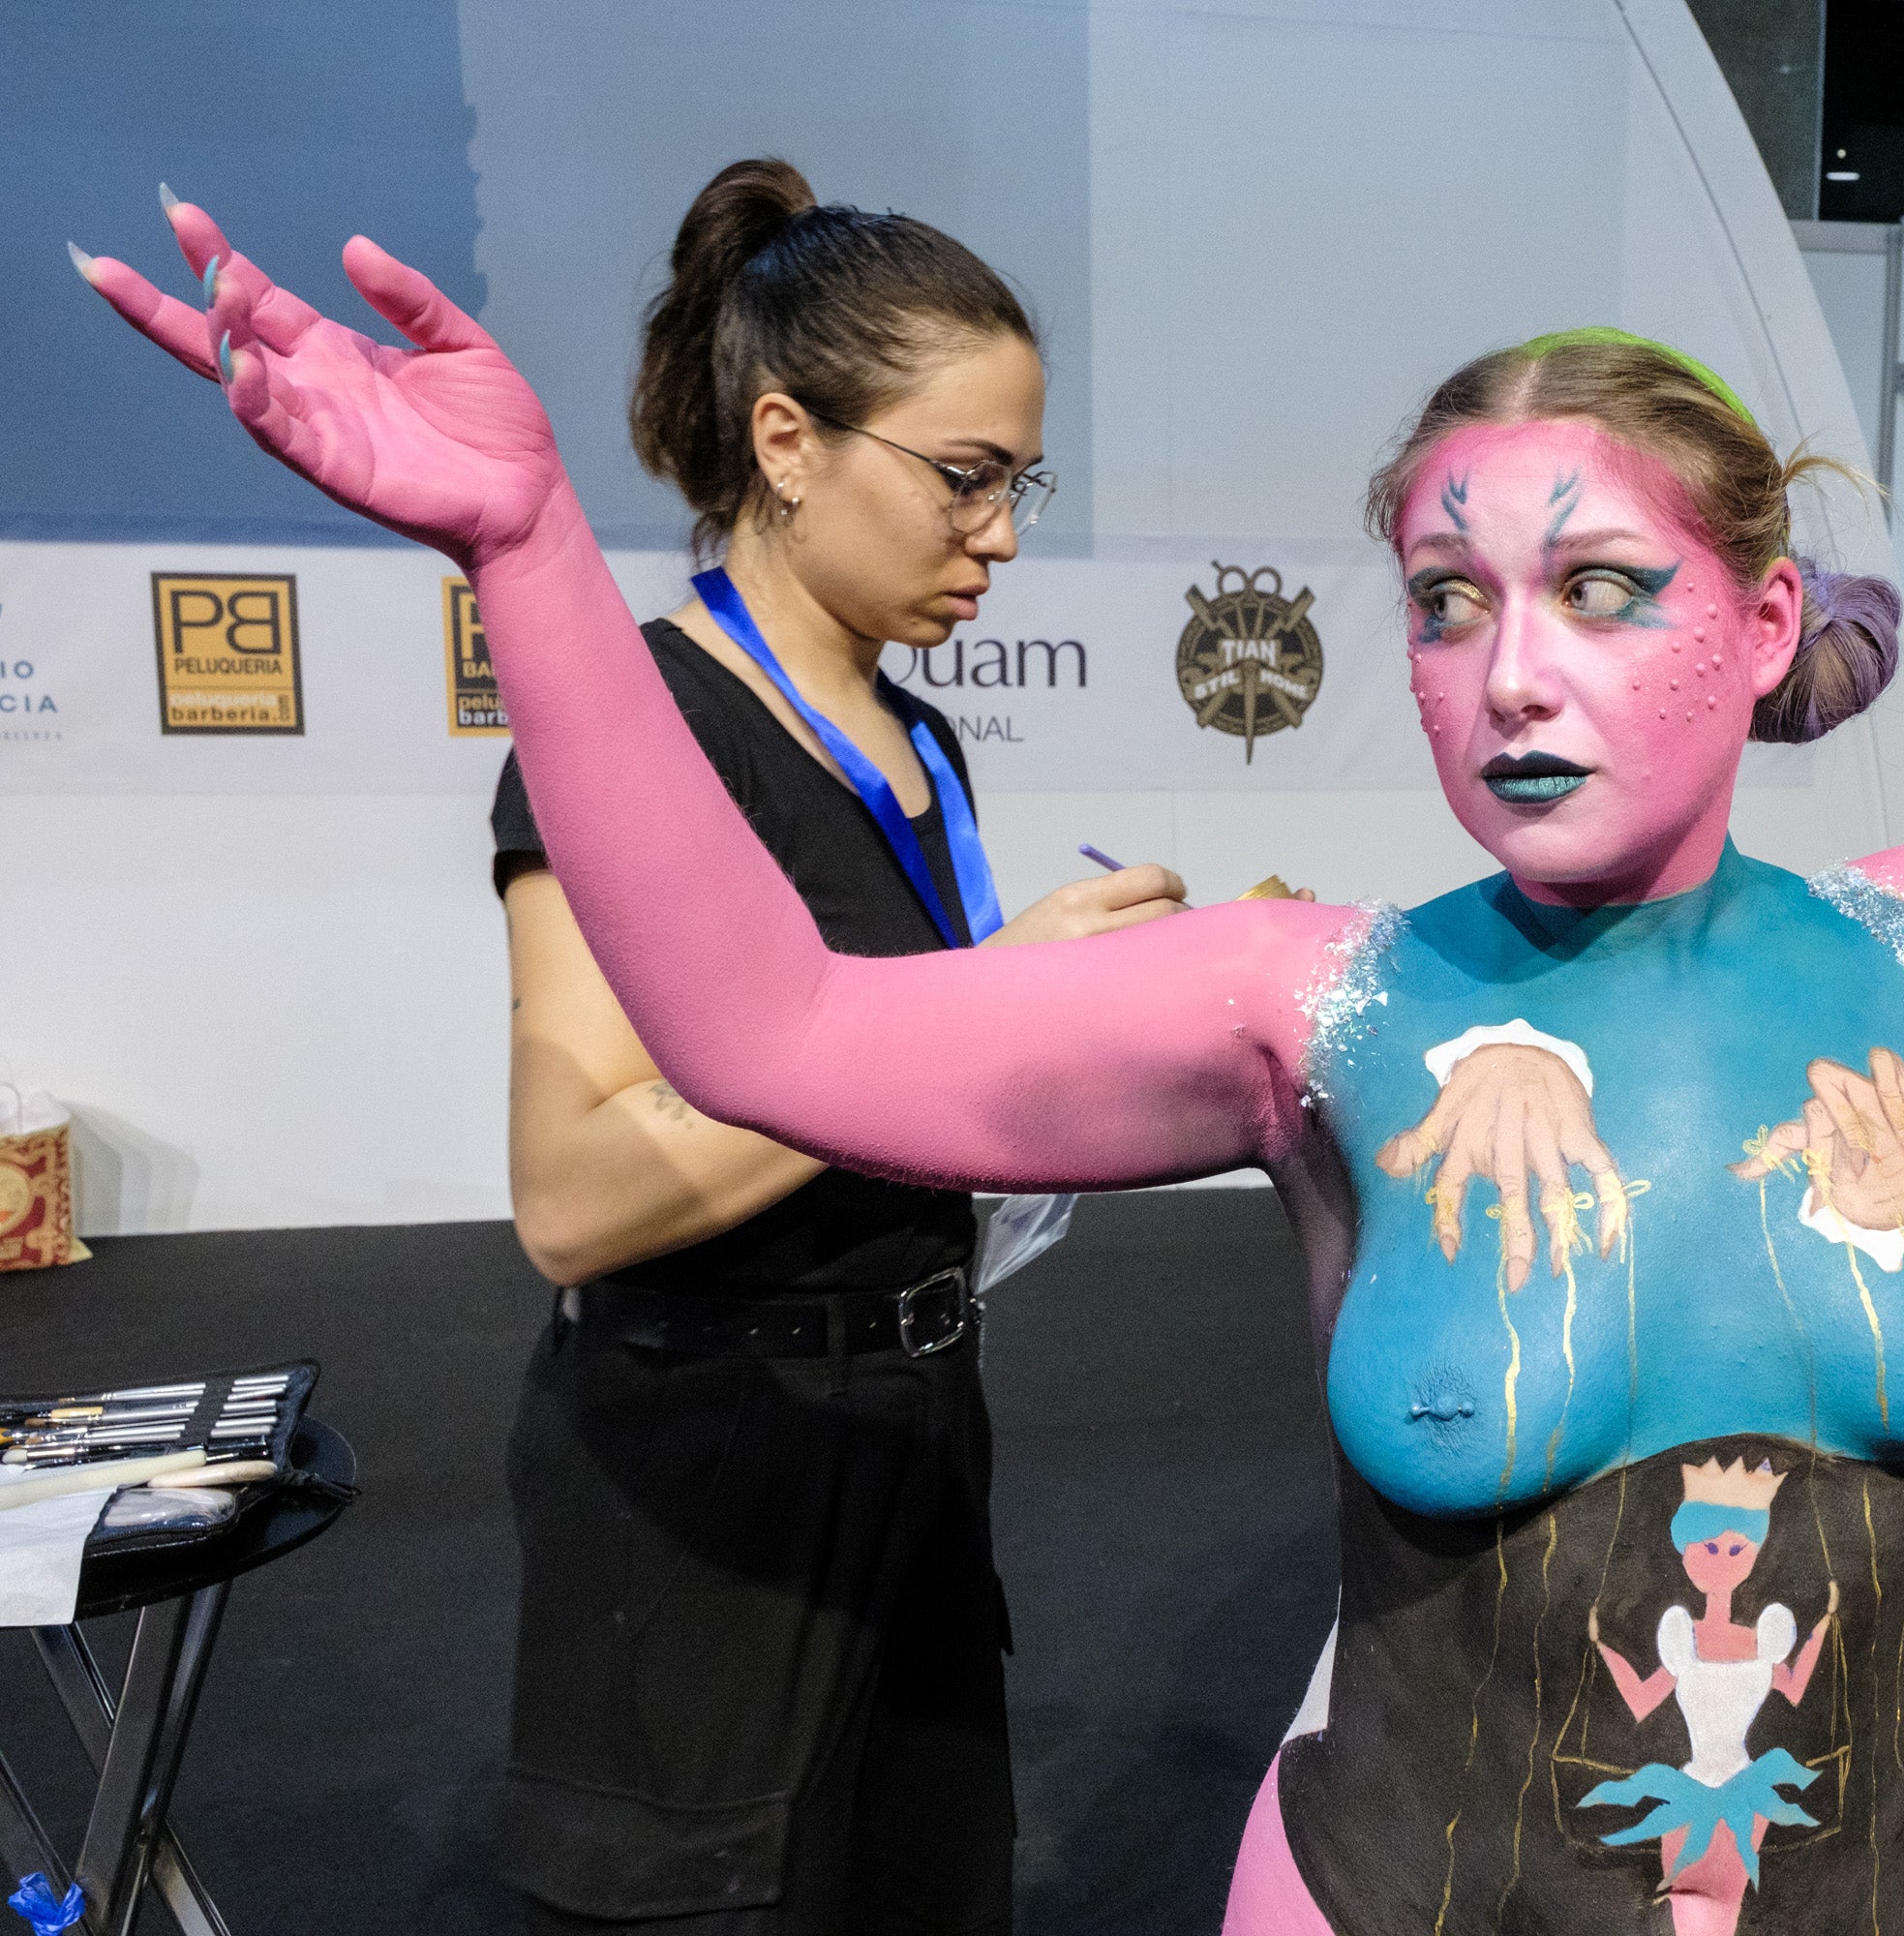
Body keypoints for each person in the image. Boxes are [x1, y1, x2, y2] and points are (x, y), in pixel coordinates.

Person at [85, 208, 1904, 1933]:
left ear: (1750, 628)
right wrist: (523, 551)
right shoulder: (1314, 1001)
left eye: (1597, 591)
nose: (1508, 673)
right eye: (1447, 602)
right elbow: (765, 1029)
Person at [106, 163, 1188, 1933]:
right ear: (785, 440)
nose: (1002, 534)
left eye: (1020, 483)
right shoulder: (638, 740)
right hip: (709, 1471)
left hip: (921, 1437)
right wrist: (986, 999)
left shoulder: (924, 745)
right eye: (966, 478)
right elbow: (579, 1194)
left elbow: (914, 1098)